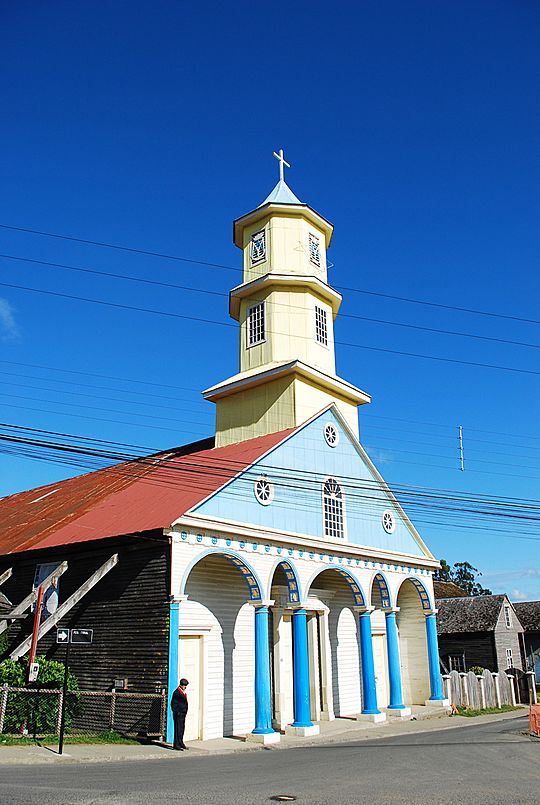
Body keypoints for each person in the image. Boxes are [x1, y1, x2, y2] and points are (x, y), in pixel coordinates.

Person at [171, 678, 189, 750]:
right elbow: (173, 704)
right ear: (181, 685)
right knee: (178, 729)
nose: (185, 687)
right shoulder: (177, 693)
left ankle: (180, 742)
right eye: (184, 686)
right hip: (178, 714)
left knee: (181, 728)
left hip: (183, 714)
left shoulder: (182, 692)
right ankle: (176, 744)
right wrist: (177, 712)